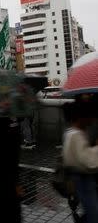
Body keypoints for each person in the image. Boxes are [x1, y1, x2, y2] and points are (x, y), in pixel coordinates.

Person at [63, 94, 98, 223]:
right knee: (93, 212)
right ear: (82, 118)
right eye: (89, 118)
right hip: (83, 177)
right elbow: (90, 162)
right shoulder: (77, 135)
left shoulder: (70, 132)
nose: (91, 121)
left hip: (79, 178)